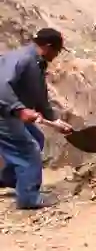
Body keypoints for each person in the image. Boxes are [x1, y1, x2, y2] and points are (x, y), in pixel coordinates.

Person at [0, 28, 73, 209]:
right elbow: (1, 86)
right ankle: (28, 199)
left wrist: (54, 120)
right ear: (48, 47)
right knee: (28, 150)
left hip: (10, 112)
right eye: (57, 51)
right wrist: (19, 109)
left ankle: (11, 179)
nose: (57, 55)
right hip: (3, 113)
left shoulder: (37, 63)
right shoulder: (22, 59)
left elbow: (39, 96)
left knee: (37, 138)